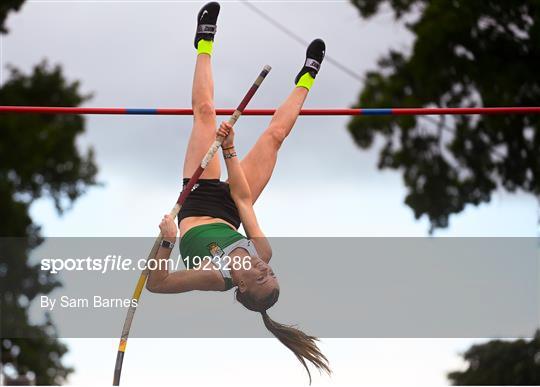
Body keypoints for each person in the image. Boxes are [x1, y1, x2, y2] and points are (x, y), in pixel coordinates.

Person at [146, 2, 329, 382]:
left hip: (196, 201)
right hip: (231, 205)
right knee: (275, 137)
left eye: (262, 277)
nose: (265, 268)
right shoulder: (261, 251)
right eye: (272, 273)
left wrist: (167, 241)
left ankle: (204, 42)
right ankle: (308, 76)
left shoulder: (215, 278)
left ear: (241, 288)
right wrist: (229, 149)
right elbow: (243, 200)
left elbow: (157, 284)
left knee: (207, 113)